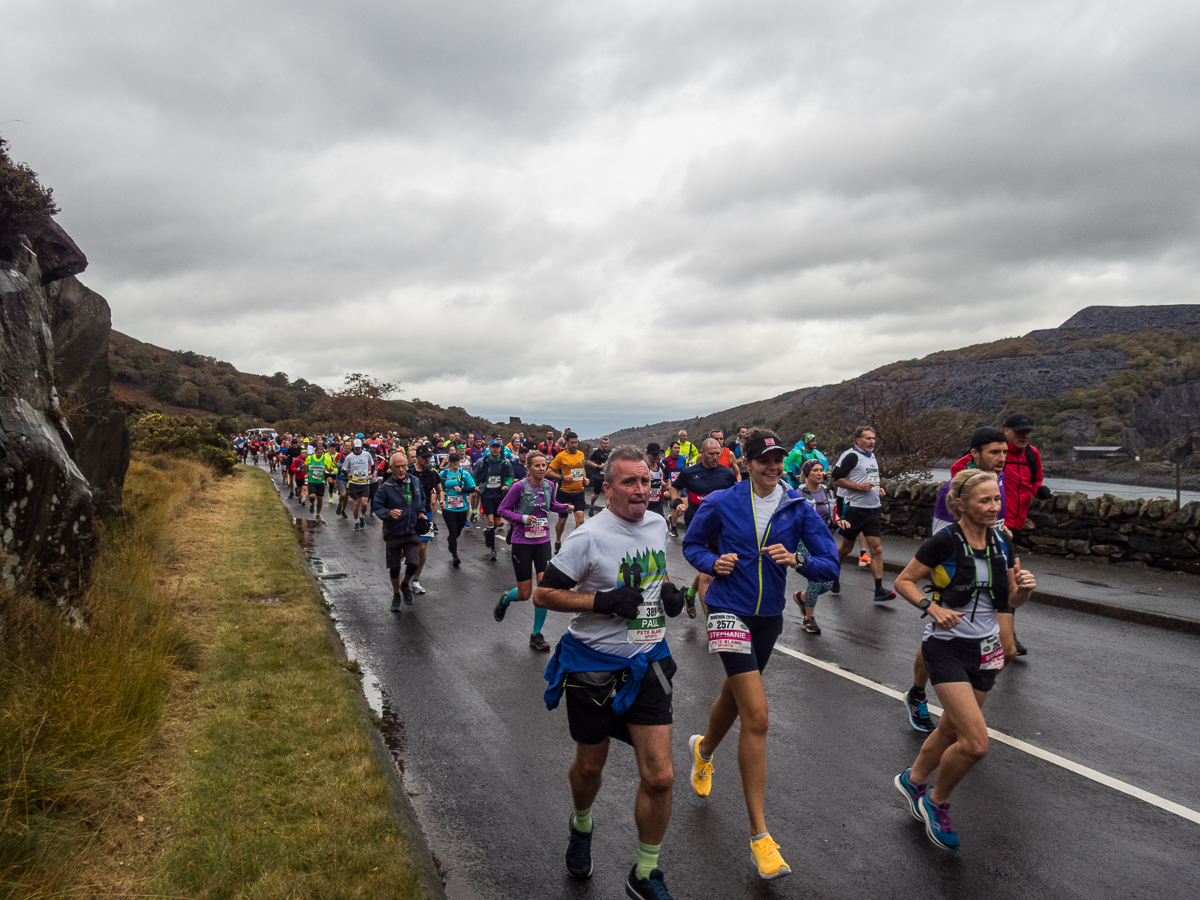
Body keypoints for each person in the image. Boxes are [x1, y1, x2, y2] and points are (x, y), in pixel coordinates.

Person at [683, 430, 840, 879]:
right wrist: (713, 564)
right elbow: (693, 545)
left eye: (777, 459)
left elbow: (829, 562)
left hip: (769, 616)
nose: (772, 466)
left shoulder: (797, 507)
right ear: (746, 463)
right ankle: (760, 837)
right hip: (727, 610)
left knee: (734, 696)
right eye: (763, 459)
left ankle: (703, 749)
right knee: (757, 715)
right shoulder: (720, 502)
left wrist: (798, 561)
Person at [535, 446, 689, 898]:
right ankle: (581, 825)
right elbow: (544, 596)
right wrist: (601, 602)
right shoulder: (588, 537)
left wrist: (669, 594)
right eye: (629, 482)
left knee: (660, 775)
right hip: (593, 668)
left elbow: (651, 576)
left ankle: (645, 873)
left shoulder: (659, 523)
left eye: (646, 481)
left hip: (647, 660)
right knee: (589, 766)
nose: (641, 490)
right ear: (607, 489)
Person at [892, 469, 1035, 851]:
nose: (994, 507)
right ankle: (936, 801)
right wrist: (931, 606)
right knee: (976, 745)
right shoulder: (944, 540)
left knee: (952, 731)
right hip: (946, 646)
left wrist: (1023, 592)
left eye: (996, 499)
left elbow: (1007, 600)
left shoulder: (1002, 541)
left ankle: (913, 779)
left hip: (985, 651)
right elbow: (903, 581)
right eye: (985, 500)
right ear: (961, 504)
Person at [494, 451, 572, 650]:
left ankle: (536, 634)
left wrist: (565, 507)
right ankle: (505, 599)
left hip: (542, 542)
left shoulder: (550, 485)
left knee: (544, 590)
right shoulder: (518, 487)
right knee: (525, 594)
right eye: (537, 466)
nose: (542, 468)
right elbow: (502, 510)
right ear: (528, 468)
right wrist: (521, 518)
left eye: (544, 465)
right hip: (522, 543)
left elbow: (552, 505)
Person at [1001, 412, 1051, 656]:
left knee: (1006, 580)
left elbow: (1036, 478)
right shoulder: (996, 452)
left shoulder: (1033, 454)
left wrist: (1039, 489)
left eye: (1028, 431)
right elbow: (961, 471)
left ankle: (1003, 636)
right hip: (996, 526)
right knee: (1011, 581)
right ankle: (1008, 639)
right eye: (1020, 431)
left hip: (1017, 526)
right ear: (1006, 431)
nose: (1025, 435)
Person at [670, 438, 737, 612]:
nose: (715, 457)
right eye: (711, 454)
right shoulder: (689, 472)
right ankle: (711, 625)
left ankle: (690, 593)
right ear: (702, 453)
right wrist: (677, 502)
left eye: (718, 453)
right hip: (698, 528)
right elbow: (674, 488)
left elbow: (735, 499)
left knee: (713, 567)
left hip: (720, 529)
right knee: (707, 575)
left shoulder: (727, 474)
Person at [831, 426, 895, 602]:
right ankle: (833, 575)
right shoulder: (851, 456)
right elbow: (836, 479)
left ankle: (879, 589)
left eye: (873, 438)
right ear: (857, 440)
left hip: (873, 508)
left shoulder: (872, 456)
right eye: (867, 438)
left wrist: (877, 488)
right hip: (854, 509)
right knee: (847, 548)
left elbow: (870, 480)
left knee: (877, 549)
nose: (872, 441)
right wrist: (859, 488)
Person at [791, 459, 849, 634]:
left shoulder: (828, 492)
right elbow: (793, 517)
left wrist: (839, 520)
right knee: (816, 579)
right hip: (804, 540)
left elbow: (833, 512)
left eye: (821, 470)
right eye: (815, 470)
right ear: (807, 473)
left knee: (829, 582)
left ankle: (802, 597)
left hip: (823, 541)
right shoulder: (799, 493)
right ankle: (809, 618)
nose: (819, 473)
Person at [372, 453, 429, 610]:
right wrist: (388, 513)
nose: (401, 469)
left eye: (403, 465)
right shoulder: (386, 487)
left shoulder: (415, 481)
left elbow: (422, 499)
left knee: (413, 563)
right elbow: (377, 507)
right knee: (395, 568)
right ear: (391, 468)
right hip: (394, 532)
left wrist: (421, 512)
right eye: (397, 467)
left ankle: (405, 584)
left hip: (412, 530)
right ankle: (396, 594)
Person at [473, 440, 515, 561]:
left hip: (499, 496)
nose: (495, 449)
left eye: (497, 447)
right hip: (487, 495)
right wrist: (475, 486)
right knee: (490, 521)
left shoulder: (505, 463)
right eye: (493, 447)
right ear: (489, 448)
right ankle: (493, 549)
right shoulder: (482, 462)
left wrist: (507, 484)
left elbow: (510, 476)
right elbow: (474, 475)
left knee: (496, 523)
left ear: (500, 449)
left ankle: (488, 533)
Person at [411, 446, 444, 595]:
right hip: (409, 513)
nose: (427, 460)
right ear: (417, 457)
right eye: (424, 457)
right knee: (409, 545)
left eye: (429, 458)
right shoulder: (409, 473)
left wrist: (442, 500)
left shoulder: (432, 474)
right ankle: (409, 563)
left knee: (422, 547)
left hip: (426, 513)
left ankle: (416, 580)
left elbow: (439, 489)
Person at [548, 432, 588, 553]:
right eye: (572, 443)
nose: (574, 445)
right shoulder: (560, 456)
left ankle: (572, 544)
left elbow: (582, 468)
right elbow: (549, 472)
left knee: (580, 521)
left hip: (579, 492)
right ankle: (558, 541)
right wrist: (563, 477)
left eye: (576, 442)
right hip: (564, 492)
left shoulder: (581, 454)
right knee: (562, 520)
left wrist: (585, 479)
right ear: (566, 443)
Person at [439, 453, 476, 566]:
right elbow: (439, 487)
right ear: (449, 462)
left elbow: (472, 488)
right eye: (453, 461)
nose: (456, 463)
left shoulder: (464, 474)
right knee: (453, 530)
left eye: (457, 461)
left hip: (461, 507)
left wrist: (462, 489)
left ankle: (451, 540)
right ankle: (455, 556)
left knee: (458, 530)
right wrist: (441, 497)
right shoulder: (443, 474)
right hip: (448, 507)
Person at [342, 439, 375, 531]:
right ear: (353, 447)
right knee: (356, 504)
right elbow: (343, 469)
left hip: (365, 483)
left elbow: (372, 465)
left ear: (361, 447)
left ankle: (362, 517)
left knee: (364, 504)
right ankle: (356, 522)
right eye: (356, 448)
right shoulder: (349, 457)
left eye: (359, 448)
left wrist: (370, 474)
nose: (357, 449)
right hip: (354, 483)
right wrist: (347, 474)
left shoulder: (366, 454)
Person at [662, 441, 688, 536]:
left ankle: (673, 520)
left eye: (678, 448)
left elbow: (685, 471)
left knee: (684, 507)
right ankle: (673, 528)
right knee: (676, 507)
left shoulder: (683, 459)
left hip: (682, 486)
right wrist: (665, 487)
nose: (677, 449)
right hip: (672, 487)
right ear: (671, 449)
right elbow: (663, 474)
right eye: (675, 448)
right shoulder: (665, 460)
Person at [586, 437, 610, 516]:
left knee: (608, 494)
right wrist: (598, 466)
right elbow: (589, 462)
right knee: (596, 494)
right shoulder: (597, 452)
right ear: (600, 444)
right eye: (604, 443)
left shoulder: (610, 453)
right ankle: (591, 506)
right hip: (598, 476)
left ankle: (608, 513)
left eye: (607, 443)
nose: (605, 445)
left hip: (607, 476)